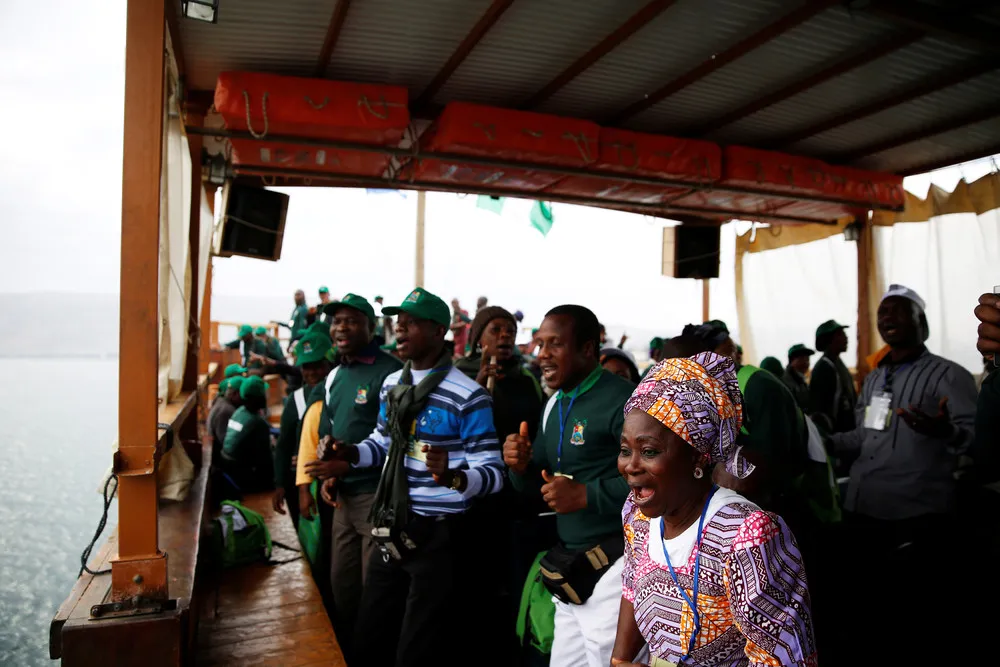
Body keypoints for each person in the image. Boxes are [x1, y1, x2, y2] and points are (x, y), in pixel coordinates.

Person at [316, 287, 504, 667]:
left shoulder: (468, 396)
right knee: (371, 631)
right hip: (394, 525)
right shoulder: (392, 386)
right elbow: (382, 444)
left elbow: (493, 473)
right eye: (398, 323)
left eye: (411, 323)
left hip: (440, 536)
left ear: (438, 331)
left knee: (419, 646)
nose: (400, 330)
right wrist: (348, 452)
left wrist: (453, 476)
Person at [610, 352, 816, 667]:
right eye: (626, 450)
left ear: (697, 458)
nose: (630, 466)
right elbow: (631, 584)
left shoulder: (746, 534)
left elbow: (781, 656)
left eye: (649, 451)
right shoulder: (637, 515)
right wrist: (620, 658)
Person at [829, 284, 977, 662]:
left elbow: (977, 442)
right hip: (864, 506)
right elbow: (865, 435)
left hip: (916, 513)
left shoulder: (948, 375)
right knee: (869, 609)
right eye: (882, 312)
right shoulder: (877, 378)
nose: (886, 318)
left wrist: (945, 431)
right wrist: (820, 439)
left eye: (897, 311)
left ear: (920, 321)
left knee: (912, 616)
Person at [504, 304, 634, 667]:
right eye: (540, 343)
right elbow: (535, 484)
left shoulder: (625, 401)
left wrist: (586, 495)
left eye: (555, 344)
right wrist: (518, 465)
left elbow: (658, 481)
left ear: (588, 349)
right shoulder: (554, 404)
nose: (542, 354)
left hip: (616, 564)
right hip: (572, 566)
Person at [305, 294, 402, 652]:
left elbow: (398, 441)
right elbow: (332, 428)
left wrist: (345, 464)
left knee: (375, 591)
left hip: (378, 496)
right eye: (336, 321)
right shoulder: (334, 376)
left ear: (371, 327)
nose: (341, 327)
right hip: (343, 497)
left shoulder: (391, 372)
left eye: (351, 321)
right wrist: (331, 472)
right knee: (342, 585)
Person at [454, 306, 548, 664]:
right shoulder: (458, 377)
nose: (505, 335)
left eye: (510, 329)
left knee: (509, 577)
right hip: (469, 497)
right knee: (471, 579)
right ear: (478, 338)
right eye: (495, 329)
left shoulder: (527, 381)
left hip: (513, 498)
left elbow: (536, 432)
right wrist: (477, 388)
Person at [272, 330, 332, 528]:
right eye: (307, 367)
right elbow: (284, 445)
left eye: (318, 366)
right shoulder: (295, 400)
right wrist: (280, 483)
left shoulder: (340, 392)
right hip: (302, 481)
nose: (312, 372)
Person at [220, 375, 274, 492]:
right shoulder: (257, 423)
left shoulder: (239, 412)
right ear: (258, 398)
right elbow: (266, 461)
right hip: (244, 478)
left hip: (230, 469)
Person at [809, 319, 856, 433]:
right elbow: (820, 410)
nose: (846, 338)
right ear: (828, 340)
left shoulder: (838, 363)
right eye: (841, 334)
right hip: (835, 435)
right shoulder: (823, 368)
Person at [208, 377, 242, 457]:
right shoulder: (226, 410)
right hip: (223, 462)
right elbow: (226, 443)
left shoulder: (222, 403)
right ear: (234, 394)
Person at [783, 343, 814, 412]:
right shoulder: (787, 381)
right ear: (792, 361)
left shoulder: (800, 379)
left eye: (807, 358)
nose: (806, 362)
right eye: (802, 358)